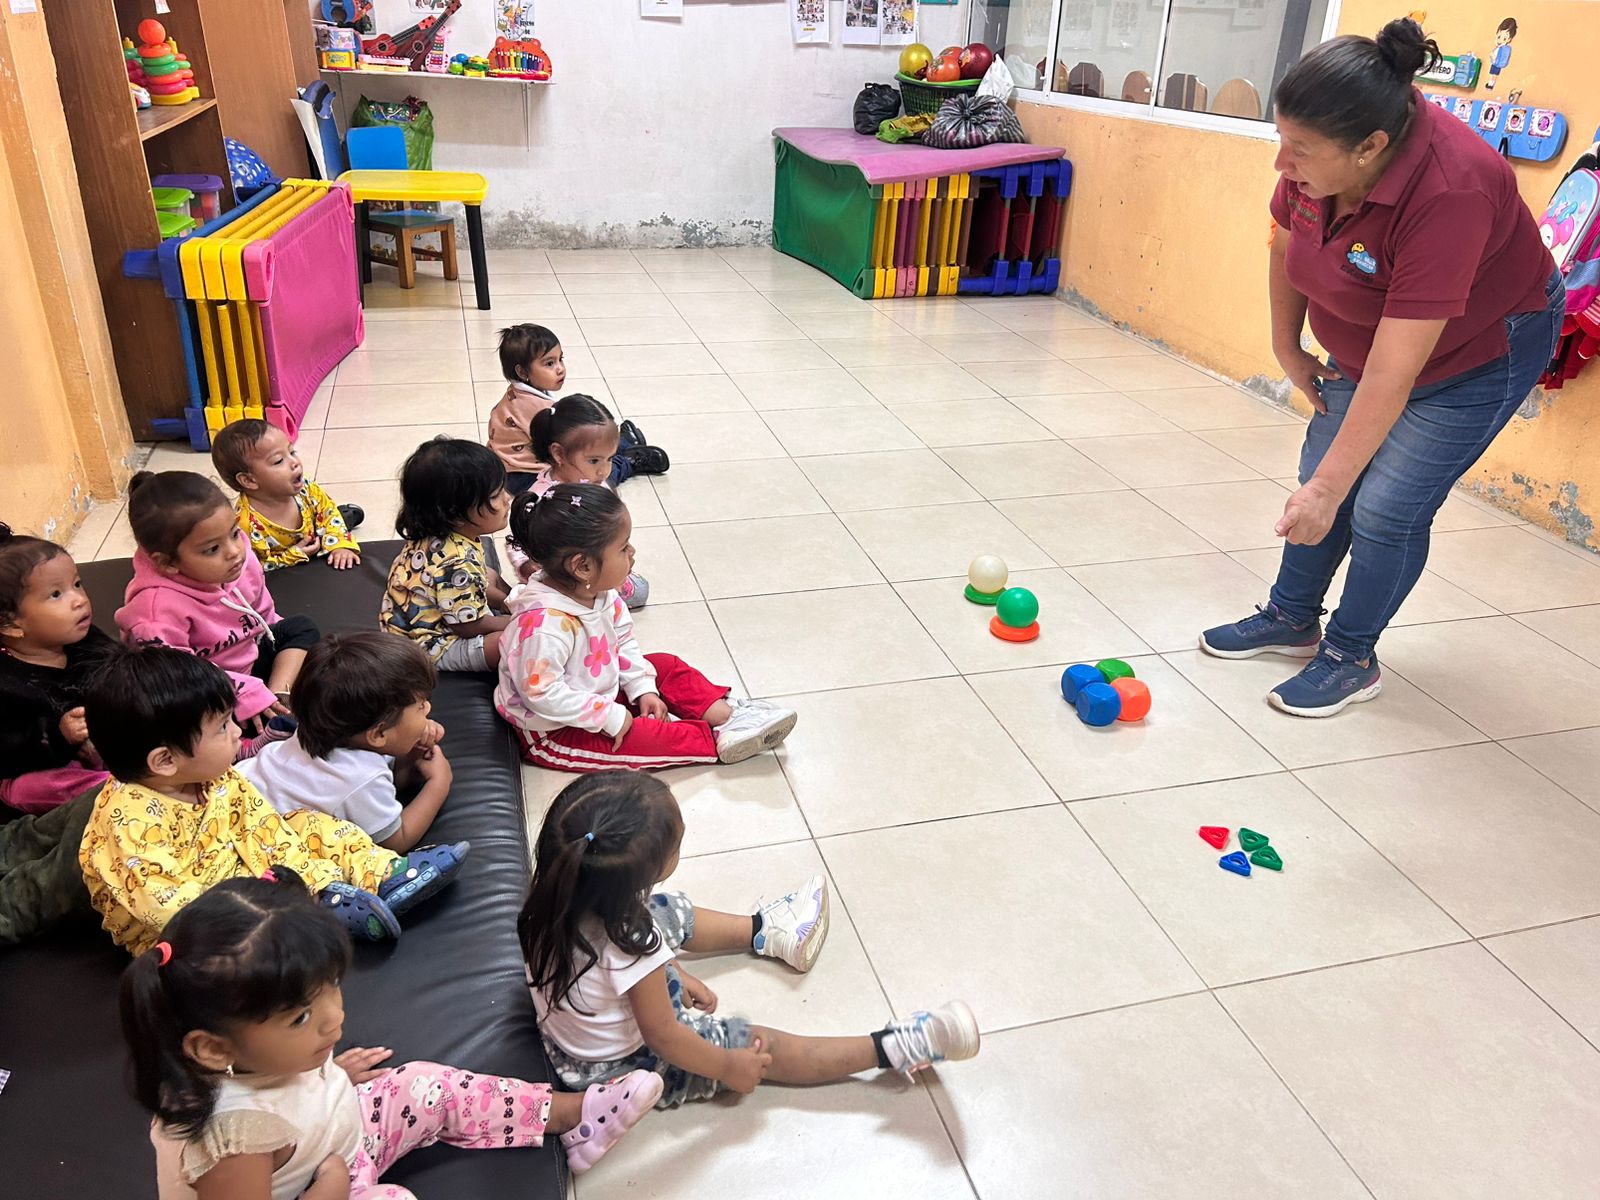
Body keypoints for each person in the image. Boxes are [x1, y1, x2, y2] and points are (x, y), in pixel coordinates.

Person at [1200, 17, 1564, 717]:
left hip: (1480, 350)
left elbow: (1396, 371)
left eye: (1300, 150)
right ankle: (1291, 617)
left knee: (1384, 506)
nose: (1282, 164)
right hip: (1367, 339)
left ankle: (1351, 656)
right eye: (1281, 139)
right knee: (1322, 474)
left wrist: (1330, 488)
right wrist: (1288, 347)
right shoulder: (1317, 165)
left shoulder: (1452, 191)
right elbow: (1287, 245)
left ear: (1370, 147)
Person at [121, 871, 660, 1198]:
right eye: (301, 1017)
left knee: (424, 1083)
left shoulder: (263, 1058)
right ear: (213, 1048)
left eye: (332, 987)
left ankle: (573, 1116)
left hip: (341, 1139)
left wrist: (329, 1076)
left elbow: (282, 1089)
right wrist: (332, 1190)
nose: (334, 1018)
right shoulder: (231, 1142)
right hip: (319, 1183)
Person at [521, 771, 979, 1106]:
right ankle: (894, 1047)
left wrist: (670, 971)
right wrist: (727, 1066)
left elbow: (625, 965)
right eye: (677, 846)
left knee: (667, 909)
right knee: (757, 1045)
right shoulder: (631, 943)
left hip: (572, 1043)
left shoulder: (549, 897)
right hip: (623, 1066)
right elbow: (664, 1037)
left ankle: (767, 931)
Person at [78, 643, 469, 952]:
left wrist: (314, 881)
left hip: (241, 863)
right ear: (165, 761)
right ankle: (318, 914)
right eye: (222, 728)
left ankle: (383, 876)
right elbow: (166, 910)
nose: (238, 733)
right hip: (190, 924)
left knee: (308, 823)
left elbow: (265, 831)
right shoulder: (127, 821)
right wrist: (273, 898)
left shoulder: (215, 776)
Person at [496, 484, 795, 772]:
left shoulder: (601, 593)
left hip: (596, 690)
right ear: (583, 567)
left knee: (664, 665)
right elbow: (542, 693)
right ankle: (717, 740)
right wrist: (608, 715)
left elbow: (623, 641)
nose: (632, 552)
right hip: (554, 731)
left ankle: (727, 717)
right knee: (645, 738)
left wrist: (642, 689)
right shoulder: (543, 626)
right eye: (623, 548)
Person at [116, 471, 318, 735]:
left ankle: (278, 699)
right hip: (208, 685)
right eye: (212, 549)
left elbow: (262, 612)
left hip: (250, 656)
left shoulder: (236, 558)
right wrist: (242, 693)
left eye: (234, 533)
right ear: (167, 563)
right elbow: (177, 676)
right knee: (199, 724)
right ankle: (261, 725)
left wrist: (261, 689)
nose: (234, 551)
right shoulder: (155, 611)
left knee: (301, 628)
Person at [240, 632, 453, 853]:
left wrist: (411, 757)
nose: (428, 709)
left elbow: (381, 783)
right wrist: (438, 783)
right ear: (379, 734)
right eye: (421, 706)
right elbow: (396, 840)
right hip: (250, 833)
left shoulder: (318, 731)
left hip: (239, 788)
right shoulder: (360, 779)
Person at [0, 527, 114, 814]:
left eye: (77, 584)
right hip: (40, 768)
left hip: (102, 747)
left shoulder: (84, 639)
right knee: (32, 786)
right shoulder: (8, 684)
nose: (79, 599)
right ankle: (114, 792)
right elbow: (9, 752)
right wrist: (59, 735)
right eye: (55, 594)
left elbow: (122, 668)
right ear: (10, 624)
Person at [505, 394, 651, 609]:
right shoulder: (541, 497)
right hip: (564, 578)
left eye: (610, 459)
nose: (604, 470)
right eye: (594, 460)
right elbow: (517, 538)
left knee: (639, 591)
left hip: (595, 565)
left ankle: (628, 449)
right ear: (558, 454)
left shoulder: (597, 482)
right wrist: (526, 564)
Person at [380, 438, 514, 672]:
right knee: (509, 640)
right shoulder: (456, 563)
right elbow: (467, 627)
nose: (507, 498)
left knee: (489, 574)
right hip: (427, 645)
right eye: (495, 495)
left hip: (439, 611)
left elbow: (476, 580)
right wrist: (511, 622)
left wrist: (507, 603)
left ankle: (515, 602)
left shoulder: (438, 531)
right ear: (456, 513)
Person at [486, 323, 663, 494]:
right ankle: (628, 461)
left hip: (505, 467)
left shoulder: (516, 393)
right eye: (549, 363)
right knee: (589, 479)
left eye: (560, 359)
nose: (560, 369)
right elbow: (573, 448)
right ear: (522, 372)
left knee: (589, 446)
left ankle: (621, 442)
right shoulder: (534, 407)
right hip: (523, 476)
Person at [211, 419, 364, 572]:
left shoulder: (305, 488)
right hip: (290, 572)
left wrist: (340, 546)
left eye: (292, 452)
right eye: (278, 461)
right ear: (249, 480)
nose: (294, 462)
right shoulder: (246, 526)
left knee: (333, 521)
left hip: (317, 537)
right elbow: (256, 567)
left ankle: (344, 518)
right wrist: (293, 555)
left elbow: (328, 512)